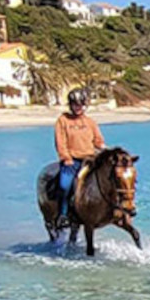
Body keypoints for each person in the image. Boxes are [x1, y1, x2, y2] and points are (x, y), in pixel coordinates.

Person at [53, 88, 105, 225]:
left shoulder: (90, 122)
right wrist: (66, 157)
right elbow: (60, 142)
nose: (78, 107)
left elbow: (98, 140)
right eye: (76, 104)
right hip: (72, 161)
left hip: (89, 160)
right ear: (71, 105)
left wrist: (105, 148)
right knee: (65, 186)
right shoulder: (62, 121)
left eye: (81, 105)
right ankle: (63, 215)